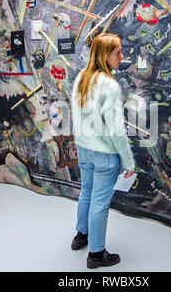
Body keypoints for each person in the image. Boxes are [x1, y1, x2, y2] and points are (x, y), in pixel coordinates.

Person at [70, 33, 135, 269]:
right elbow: (116, 130)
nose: (122, 55)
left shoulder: (81, 79)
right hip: (105, 154)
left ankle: (81, 235)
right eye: (117, 51)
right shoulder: (109, 86)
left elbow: (76, 116)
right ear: (105, 55)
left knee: (86, 192)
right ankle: (96, 254)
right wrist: (128, 162)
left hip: (84, 149)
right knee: (100, 202)